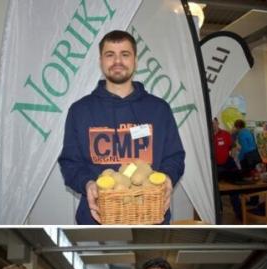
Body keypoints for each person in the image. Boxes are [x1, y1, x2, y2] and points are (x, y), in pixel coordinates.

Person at [58, 29, 185, 225]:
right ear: (101, 61)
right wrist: (88, 183)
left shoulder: (159, 109)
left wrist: (167, 178)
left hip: (149, 219)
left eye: (125, 54)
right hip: (97, 219)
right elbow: (70, 163)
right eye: (110, 55)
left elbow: (174, 157)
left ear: (135, 60)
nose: (118, 61)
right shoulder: (80, 111)